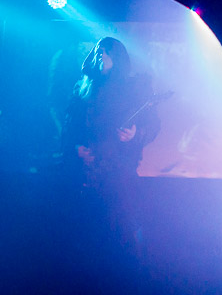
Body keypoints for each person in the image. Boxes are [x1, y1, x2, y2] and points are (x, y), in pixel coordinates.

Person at [62, 37, 160, 269]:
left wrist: (135, 134)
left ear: (117, 57)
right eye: (98, 51)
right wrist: (76, 148)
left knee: (121, 224)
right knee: (85, 229)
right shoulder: (82, 87)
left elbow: (153, 125)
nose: (100, 55)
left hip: (119, 171)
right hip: (85, 172)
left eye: (106, 52)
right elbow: (69, 126)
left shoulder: (133, 89)